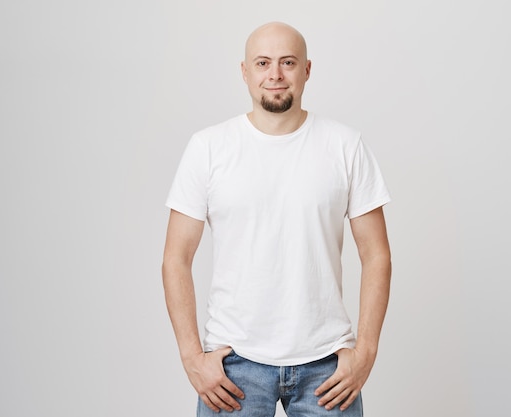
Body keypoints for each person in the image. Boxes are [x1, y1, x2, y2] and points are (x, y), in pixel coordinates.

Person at [162, 21, 392, 417]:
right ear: (245, 71)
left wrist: (365, 353)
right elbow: (175, 258)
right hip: (233, 366)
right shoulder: (208, 148)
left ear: (306, 69)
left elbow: (377, 255)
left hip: (327, 367)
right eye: (263, 62)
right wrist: (192, 357)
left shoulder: (344, 145)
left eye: (288, 62)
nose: (275, 75)